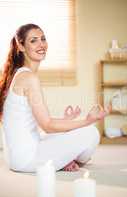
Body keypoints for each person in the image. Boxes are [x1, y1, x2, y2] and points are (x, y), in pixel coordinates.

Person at [0, 23, 110, 173]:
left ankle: (63, 158)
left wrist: (65, 120)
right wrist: (88, 120)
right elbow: (48, 126)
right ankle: (66, 160)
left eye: (43, 39)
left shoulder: (20, 74)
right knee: (91, 132)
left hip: (16, 156)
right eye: (33, 40)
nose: (41, 44)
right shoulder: (29, 78)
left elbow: (30, 124)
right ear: (21, 46)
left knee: (64, 131)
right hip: (26, 159)